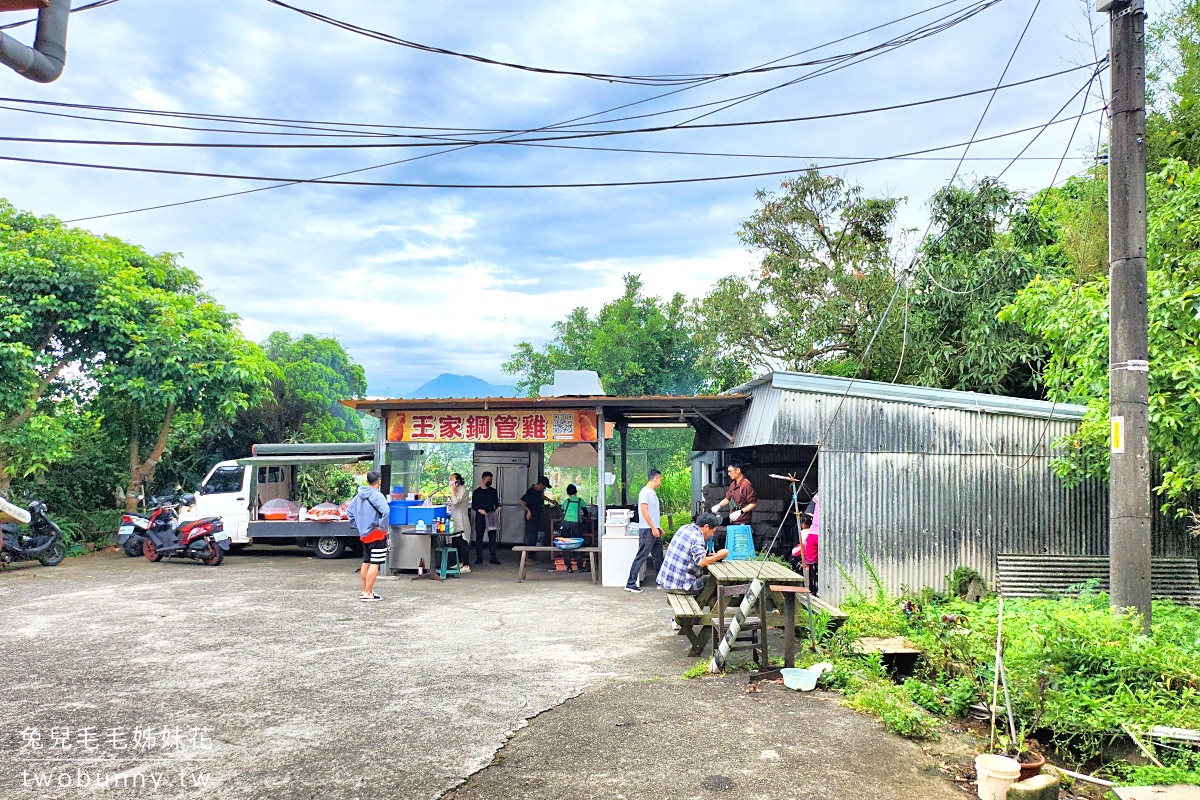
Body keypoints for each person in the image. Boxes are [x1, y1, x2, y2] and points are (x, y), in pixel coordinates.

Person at [657, 512, 728, 597]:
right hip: (681, 586)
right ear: (706, 527)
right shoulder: (697, 537)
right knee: (717, 584)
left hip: (667, 582)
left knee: (709, 581)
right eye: (712, 532)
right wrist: (720, 555)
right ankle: (714, 608)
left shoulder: (685, 528)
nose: (712, 535)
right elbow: (702, 562)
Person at [346, 470, 389, 602]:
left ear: (367, 481)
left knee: (366, 562)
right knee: (375, 564)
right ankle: (368, 592)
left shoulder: (358, 496)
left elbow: (349, 512)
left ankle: (365, 589)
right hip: (376, 534)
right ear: (379, 481)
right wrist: (382, 527)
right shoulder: (378, 496)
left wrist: (359, 525)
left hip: (364, 535)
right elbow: (386, 512)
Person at [625, 469, 665, 593]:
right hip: (647, 530)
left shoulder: (652, 493)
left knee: (658, 556)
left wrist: (657, 527)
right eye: (660, 480)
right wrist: (653, 527)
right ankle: (630, 583)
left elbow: (652, 513)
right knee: (642, 555)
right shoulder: (644, 493)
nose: (660, 483)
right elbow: (644, 512)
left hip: (653, 529)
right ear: (655, 479)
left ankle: (660, 581)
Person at [711, 460, 757, 525]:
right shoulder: (733, 484)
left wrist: (740, 512)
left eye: (730, 471)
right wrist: (718, 505)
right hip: (733, 520)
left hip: (743, 522)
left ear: (738, 470)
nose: (728, 474)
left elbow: (753, 504)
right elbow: (728, 498)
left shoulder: (745, 485)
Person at [471, 472, 501, 565]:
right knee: (479, 537)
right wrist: (479, 510)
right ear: (483, 480)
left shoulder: (493, 491)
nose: (490, 482)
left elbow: (496, 503)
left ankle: (493, 557)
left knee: (492, 537)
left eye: (491, 480)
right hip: (480, 516)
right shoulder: (476, 492)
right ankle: (479, 557)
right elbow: (473, 505)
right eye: (488, 480)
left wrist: (498, 507)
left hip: (491, 515)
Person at [558, 483, 588, 573]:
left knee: (566, 545)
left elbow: (563, 512)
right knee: (578, 544)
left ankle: (569, 567)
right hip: (576, 525)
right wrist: (585, 517)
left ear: (567, 493)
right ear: (576, 492)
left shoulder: (566, 502)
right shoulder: (580, 501)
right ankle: (580, 566)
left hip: (566, 524)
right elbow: (585, 513)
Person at [445, 472, 471, 574]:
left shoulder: (463, 490)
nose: (450, 482)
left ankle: (466, 565)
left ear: (457, 481)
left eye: (452, 479)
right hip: (454, 519)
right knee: (455, 541)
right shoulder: (456, 490)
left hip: (461, 519)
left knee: (462, 541)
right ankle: (459, 561)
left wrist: (452, 490)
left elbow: (456, 502)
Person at [519, 476, 550, 562]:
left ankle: (533, 555)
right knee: (531, 537)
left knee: (535, 536)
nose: (544, 488)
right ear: (540, 484)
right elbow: (521, 501)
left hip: (537, 516)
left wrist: (551, 500)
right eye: (544, 487)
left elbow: (542, 497)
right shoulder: (530, 491)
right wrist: (528, 511)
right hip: (531, 517)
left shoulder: (538, 492)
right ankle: (529, 557)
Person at [791, 513, 818, 596]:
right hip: (814, 555)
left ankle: (806, 585)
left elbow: (801, 545)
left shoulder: (803, 532)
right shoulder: (813, 531)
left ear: (802, 524)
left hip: (806, 555)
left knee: (794, 555)